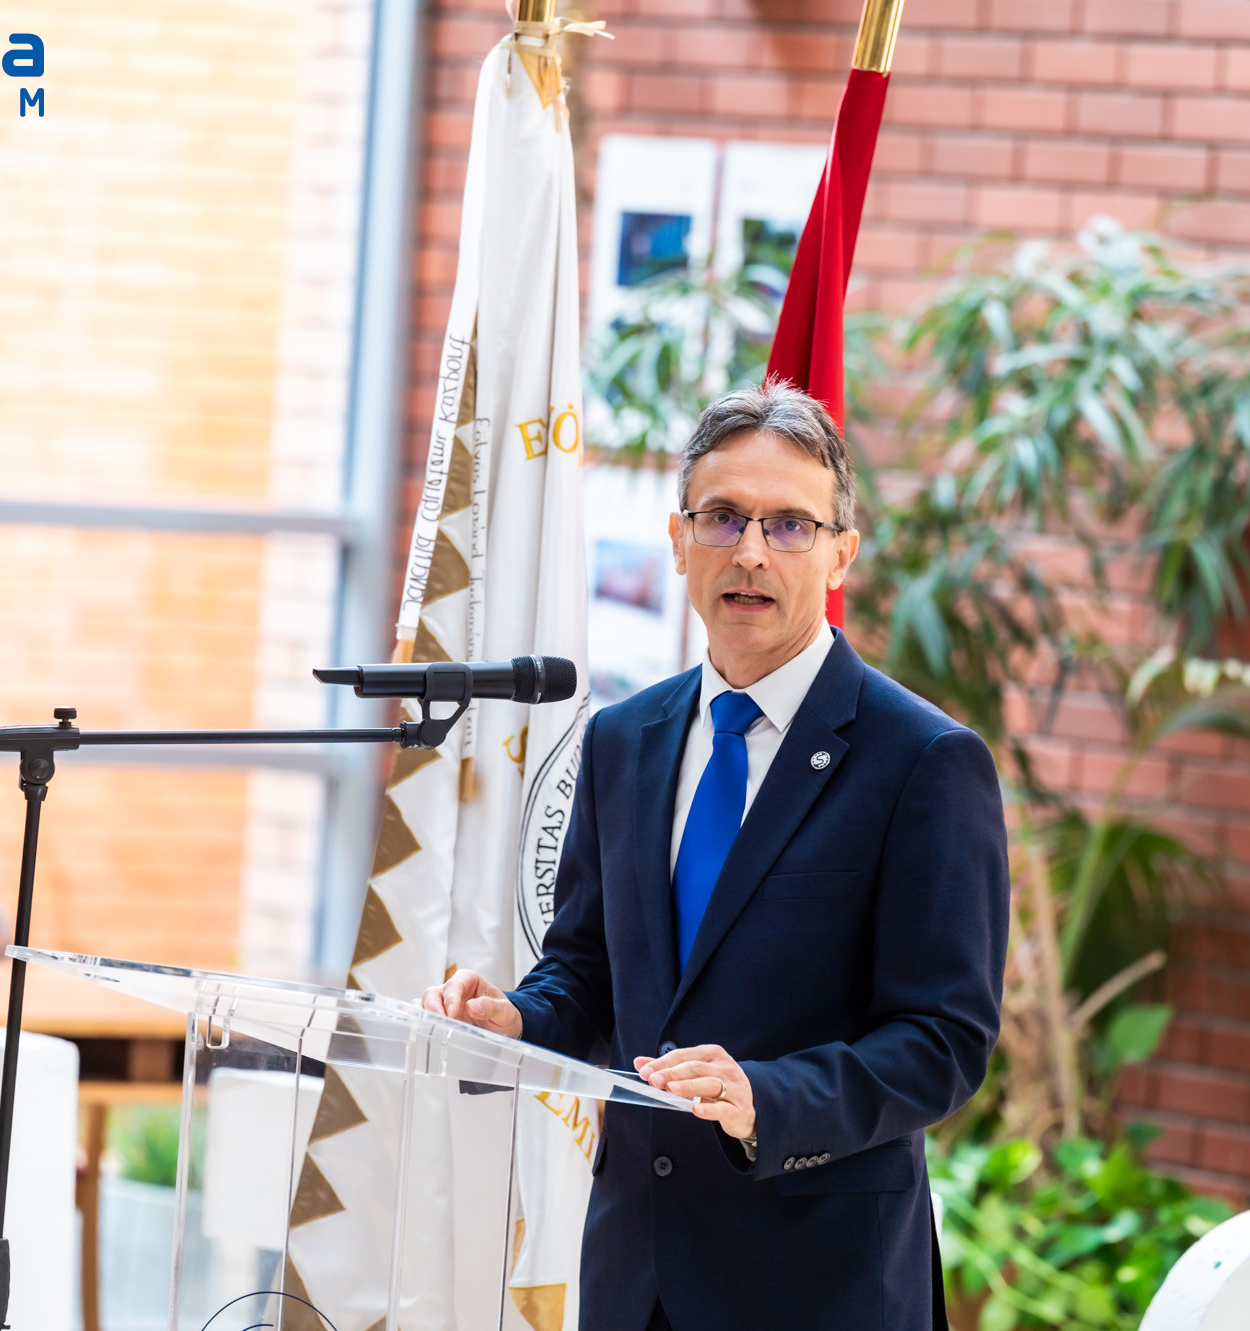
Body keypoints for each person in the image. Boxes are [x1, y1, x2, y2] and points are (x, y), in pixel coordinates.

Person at [423, 381, 1009, 1331]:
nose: (750, 551)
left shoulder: (923, 760)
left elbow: (943, 1041)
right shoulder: (622, 739)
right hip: (636, 1276)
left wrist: (763, 1097)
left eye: (789, 525)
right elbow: (589, 971)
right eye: (723, 517)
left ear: (840, 553)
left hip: (820, 1289)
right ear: (677, 537)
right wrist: (517, 1017)